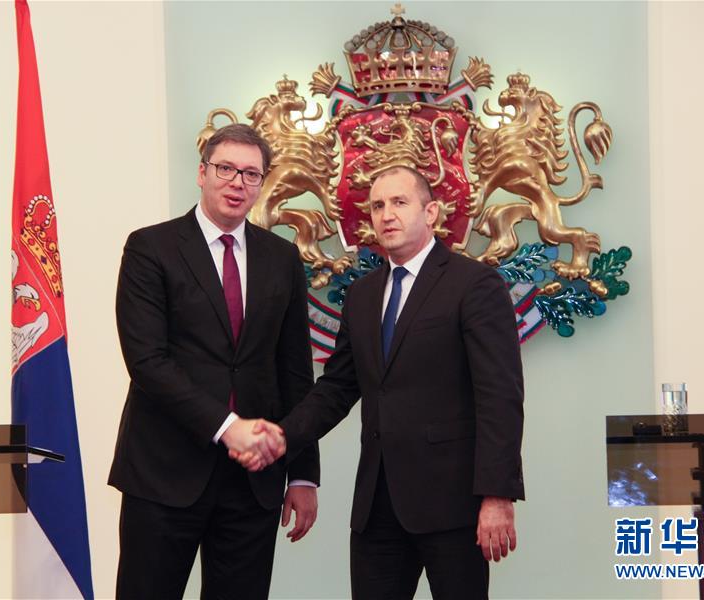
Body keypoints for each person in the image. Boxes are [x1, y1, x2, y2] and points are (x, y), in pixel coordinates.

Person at [235, 165, 524, 599]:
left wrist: (497, 495)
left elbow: (500, 397)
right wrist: (281, 436)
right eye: (377, 206)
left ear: (431, 212)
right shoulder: (362, 295)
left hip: (454, 505)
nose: (386, 214)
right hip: (377, 505)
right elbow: (337, 388)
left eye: (399, 202)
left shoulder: (474, 284)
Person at [109, 123, 320, 599]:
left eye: (251, 174)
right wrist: (228, 428)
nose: (237, 182)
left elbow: (294, 371)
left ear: (261, 184)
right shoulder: (150, 248)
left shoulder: (282, 257)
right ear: (201, 173)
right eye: (225, 169)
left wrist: (303, 473)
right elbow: (147, 361)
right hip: (163, 471)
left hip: (253, 482)